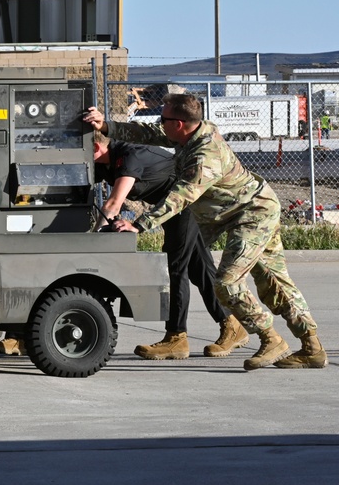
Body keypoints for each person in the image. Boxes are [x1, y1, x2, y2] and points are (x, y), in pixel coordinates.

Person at [83, 94, 327, 371]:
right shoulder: (187, 134)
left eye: (164, 119)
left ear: (180, 123)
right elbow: (147, 132)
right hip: (229, 215)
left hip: (251, 214)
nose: (159, 124)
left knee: (228, 282)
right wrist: (106, 126)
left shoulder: (204, 156)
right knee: (270, 282)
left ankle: (270, 338)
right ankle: (312, 348)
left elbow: (181, 196)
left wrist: (138, 224)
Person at [93, 134, 246, 359]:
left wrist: (93, 237)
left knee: (175, 268)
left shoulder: (128, 156)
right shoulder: (105, 163)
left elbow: (114, 204)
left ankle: (176, 338)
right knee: (200, 269)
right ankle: (232, 325)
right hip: (173, 208)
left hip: (186, 203)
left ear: (96, 147)